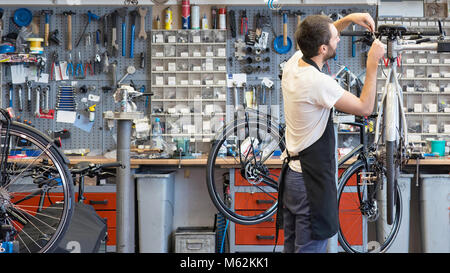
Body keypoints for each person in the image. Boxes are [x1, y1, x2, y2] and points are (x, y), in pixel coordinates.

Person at [279, 13, 385, 253]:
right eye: (335, 38)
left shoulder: (294, 63)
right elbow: (365, 108)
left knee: (293, 249)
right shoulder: (318, 82)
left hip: (292, 179)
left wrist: (349, 18)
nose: (339, 39)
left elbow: (320, 37)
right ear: (323, 48)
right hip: (309, 182)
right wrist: (372, 64)